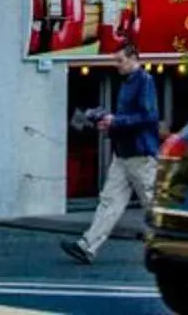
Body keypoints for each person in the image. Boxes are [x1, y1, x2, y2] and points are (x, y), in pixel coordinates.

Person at [63, 39, 164, 265]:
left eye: (120, 60)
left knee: (149, 203)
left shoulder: (143, 81)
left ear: (133, 58)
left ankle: (166, 248)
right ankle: (87, 245)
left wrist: (115, 121)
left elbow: (150, 116)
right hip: (127, 153)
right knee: (111, 201)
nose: (117, 65)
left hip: (138, 154)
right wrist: (112, 123)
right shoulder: (130, 82)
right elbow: (142, 117)